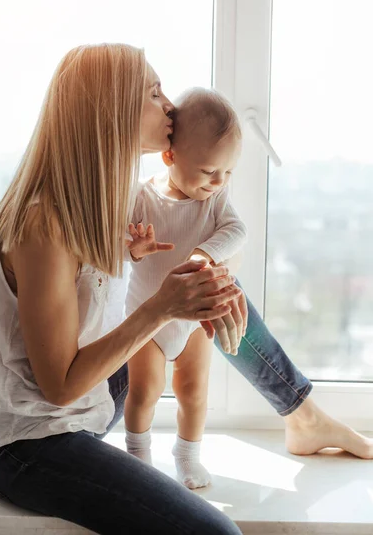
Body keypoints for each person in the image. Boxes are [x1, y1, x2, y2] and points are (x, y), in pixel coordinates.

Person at [0, 43, 243, 535]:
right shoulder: (43, 224)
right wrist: (163, 307)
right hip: (29, 442)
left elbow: (93, 294)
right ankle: (300, 406)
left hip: (87, 403)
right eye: (154, 93)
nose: (171, 107)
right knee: (217, 534)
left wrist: (204, 284)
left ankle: (297, 406)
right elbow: (60, 389)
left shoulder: (96, 203)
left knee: (212, 275)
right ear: (111, 111)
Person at [124, 88, 247, 490]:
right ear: (171, 156)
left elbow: (236, 230)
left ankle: (187, 454)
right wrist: (134, 250)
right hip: (147, 314)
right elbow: (115, 245)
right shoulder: (141, 196)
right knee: (144, 392)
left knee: (193, 391)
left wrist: (202, 256)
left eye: (228, 172)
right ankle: (138, 455)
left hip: (193, 320)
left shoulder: (215, 200)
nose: (218, 182)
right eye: (210, 171)